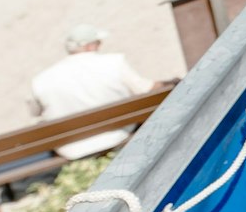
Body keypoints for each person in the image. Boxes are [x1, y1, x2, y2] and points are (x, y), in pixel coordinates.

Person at [28, 24, 161, 159]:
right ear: (89, 46)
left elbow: (35, 113)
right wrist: (170, 83)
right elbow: (146, 88)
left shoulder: (41, 80)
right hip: (117, 136)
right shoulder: (114, 62)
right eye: (98, 42)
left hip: (71, 150)